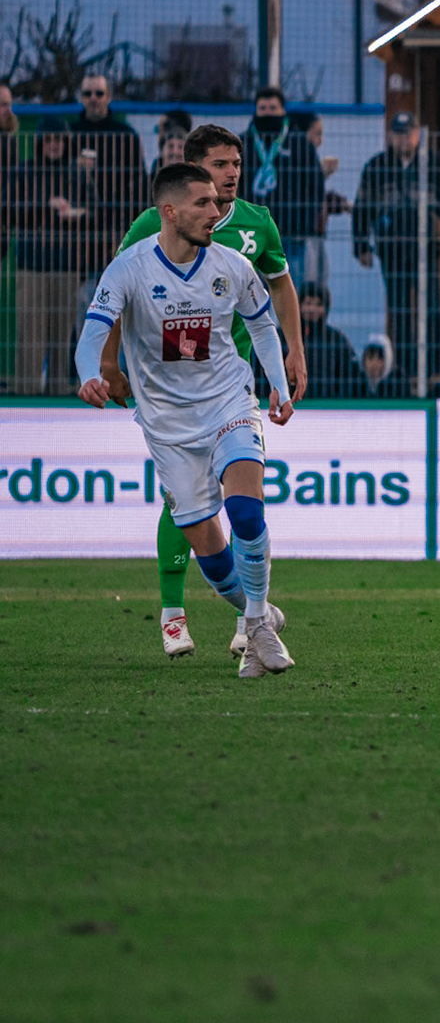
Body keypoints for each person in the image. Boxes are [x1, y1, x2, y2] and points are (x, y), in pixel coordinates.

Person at [74, 162, 296, 678]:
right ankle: (259, 615)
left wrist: (278, 387)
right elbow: (93, 331)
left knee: (246, 511)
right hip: (167, 426)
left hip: (229, 403)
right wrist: (90, 374)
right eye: (203, 203)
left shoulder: (231, 265)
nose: (216, 212)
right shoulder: (129, 268)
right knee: (214, 560)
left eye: (217, 203)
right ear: (169, 212)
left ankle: (257, 622)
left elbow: (262, 325)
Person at [354, 112, 440, 387]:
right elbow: (362, 206)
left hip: (428, 248)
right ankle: (404, 372)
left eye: (409, 132)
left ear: (418, 134)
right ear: (391, 136)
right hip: (391, 247)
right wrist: (361, 246)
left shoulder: (435, 163)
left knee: (432, 309)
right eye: (399, 133)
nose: (404, 138)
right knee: (399, 308)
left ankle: (434, 370)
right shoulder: (377, 166)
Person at [8, 118, 89, 395]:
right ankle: (25, 392)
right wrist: (45, 207)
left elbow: (95, 212)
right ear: (40, 142)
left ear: (66, 143)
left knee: (62, 336)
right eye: (49, 140)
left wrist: (75, 213)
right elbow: (9, 212)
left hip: (66, 265)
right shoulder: (24, 172)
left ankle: (58, 391)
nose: (54, 145)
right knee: (30, 335)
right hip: (31, 264)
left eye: (59, 140)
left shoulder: (77, 173)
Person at [239, 87, 325, 290]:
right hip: (251, 234)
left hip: (291, 232)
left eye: (273, 108)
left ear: (283, 111)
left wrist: (305, 224)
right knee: (251, 295)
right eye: (263, 108)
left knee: (290, 292)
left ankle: (289, 324)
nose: (267, 112)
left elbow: (315, 186)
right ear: (255, 111)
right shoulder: (243, 143)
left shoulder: (299, 142)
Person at [67, 74, 144, 275]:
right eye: (87, 93)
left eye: (99, 93)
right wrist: (75, 168)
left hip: (116, 225)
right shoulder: (70, 134)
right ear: (81, 98)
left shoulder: (126, 135)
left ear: (108, 97)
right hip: (78, 230)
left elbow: (138, 181)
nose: (93, 98)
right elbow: (56, 178)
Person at [292, 281, 360, 400]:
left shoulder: (337, 340)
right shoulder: (285, 336)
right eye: (308, 303)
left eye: (318, 305)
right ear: (299, 305)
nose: (312, 309)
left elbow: (350, 377)